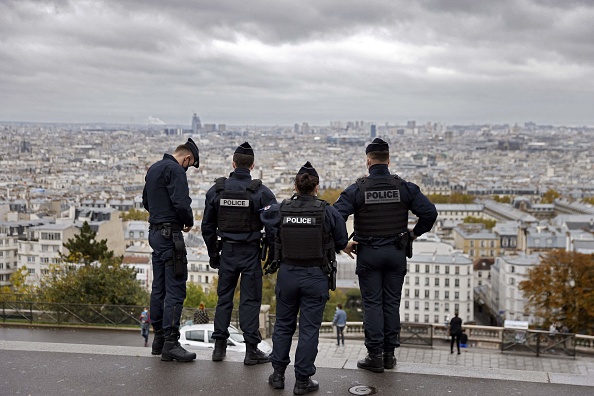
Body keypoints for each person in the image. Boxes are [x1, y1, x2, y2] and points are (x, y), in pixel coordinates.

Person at [334, 137, 437, 373]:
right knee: (391, 302)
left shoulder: (357, 189)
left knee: (372, 304)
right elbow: (430, 213)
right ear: (388, 160)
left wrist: (343, 243)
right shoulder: (404, 188)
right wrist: (412, 235)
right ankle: (390, 355)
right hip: (396, 252)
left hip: (369, 253)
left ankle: (375, 355)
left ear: (368, 161)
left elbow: (334, 216)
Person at [261, 161, 348, 395]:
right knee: (309, 330)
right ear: (317, 187)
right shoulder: (327, 211)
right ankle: (302, 380)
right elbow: (341, 241)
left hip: (287, 274)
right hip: (316, 275)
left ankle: (278, 375)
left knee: (282, 326)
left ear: (295, 186)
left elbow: (267, 225)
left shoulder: (282, 209)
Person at [201, 141, 277, 365]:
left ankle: (219, 347)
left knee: (224, 299)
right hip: (250, 252)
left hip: (227, 251)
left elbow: (207, 228)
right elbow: (273, 225)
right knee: (250, 301)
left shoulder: (217, 190)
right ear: (252, 166)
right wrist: (271, 256)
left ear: (233, 164)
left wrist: (214, 254)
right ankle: (251, 350)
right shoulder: (260, 192)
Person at [142, 138, 199, 362]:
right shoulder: (176, 170)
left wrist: (159, 213)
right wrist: (187, 221)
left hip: (154, 233)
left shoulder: (154, 168)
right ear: (186, 158)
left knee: (159, 288)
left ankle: (159, 339)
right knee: (175, 288)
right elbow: (182, 203)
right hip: (170, 236)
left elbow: (146, 200)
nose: (188, 167)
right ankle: (171, 343)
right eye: (190, 163)